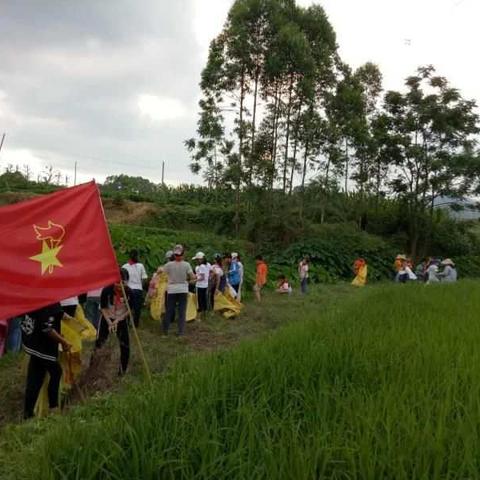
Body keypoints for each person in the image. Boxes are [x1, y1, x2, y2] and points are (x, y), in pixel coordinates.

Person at [21, 303, 72, 419]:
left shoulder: (43, 294)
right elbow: (47, 328)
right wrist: (63, 342)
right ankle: (53, 408)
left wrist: (63, 315)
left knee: (35, 377)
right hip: (42, 345)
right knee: (56, 372)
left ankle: (28, 413)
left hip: (33, 341)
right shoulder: (50, 302)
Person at [95, 268, 132, 375]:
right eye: (117, 283)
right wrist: (110, 322)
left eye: (122, 283)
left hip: (121, 319)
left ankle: (122, 371)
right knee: (99, 343)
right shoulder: (106, 290)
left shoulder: (129, 292)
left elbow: (130, 310)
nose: (119, 286)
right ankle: (94, 369)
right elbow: (103, 308)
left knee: (125, 345)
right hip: (107, 318)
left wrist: (118, 320)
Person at [163, 244, 196, 336]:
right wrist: (194, 278)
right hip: (183, 289)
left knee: (169, 310)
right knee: (182, 311)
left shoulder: (169, 265)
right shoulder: (186, 265)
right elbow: (192, 276)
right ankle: (180, 331)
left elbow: (161, 272)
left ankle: (165, 330)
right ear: (183, 255)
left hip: (172, 289)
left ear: (174, 255)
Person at [122, 249, 148, 328]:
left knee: (127, 307)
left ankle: (126, 322)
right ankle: (135, 324)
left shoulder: (125, 266)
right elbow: (144, 278)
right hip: (138, 289)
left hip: (128, 289)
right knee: (137, 308)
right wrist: (141, 285)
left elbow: (123, 279)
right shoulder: (140, 266)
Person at [193, 252, 211, 321]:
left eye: (197, 260)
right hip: (205, 285)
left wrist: (194, 280)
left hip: (200, 285)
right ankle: (204, 314)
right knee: (204, 300)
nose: (197, 261)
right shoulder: (208, 264)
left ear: (201, 259)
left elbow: (202, 277)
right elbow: (211, 271)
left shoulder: (201, 266)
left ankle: (199, 317)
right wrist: (208, 278)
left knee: (199, 301)